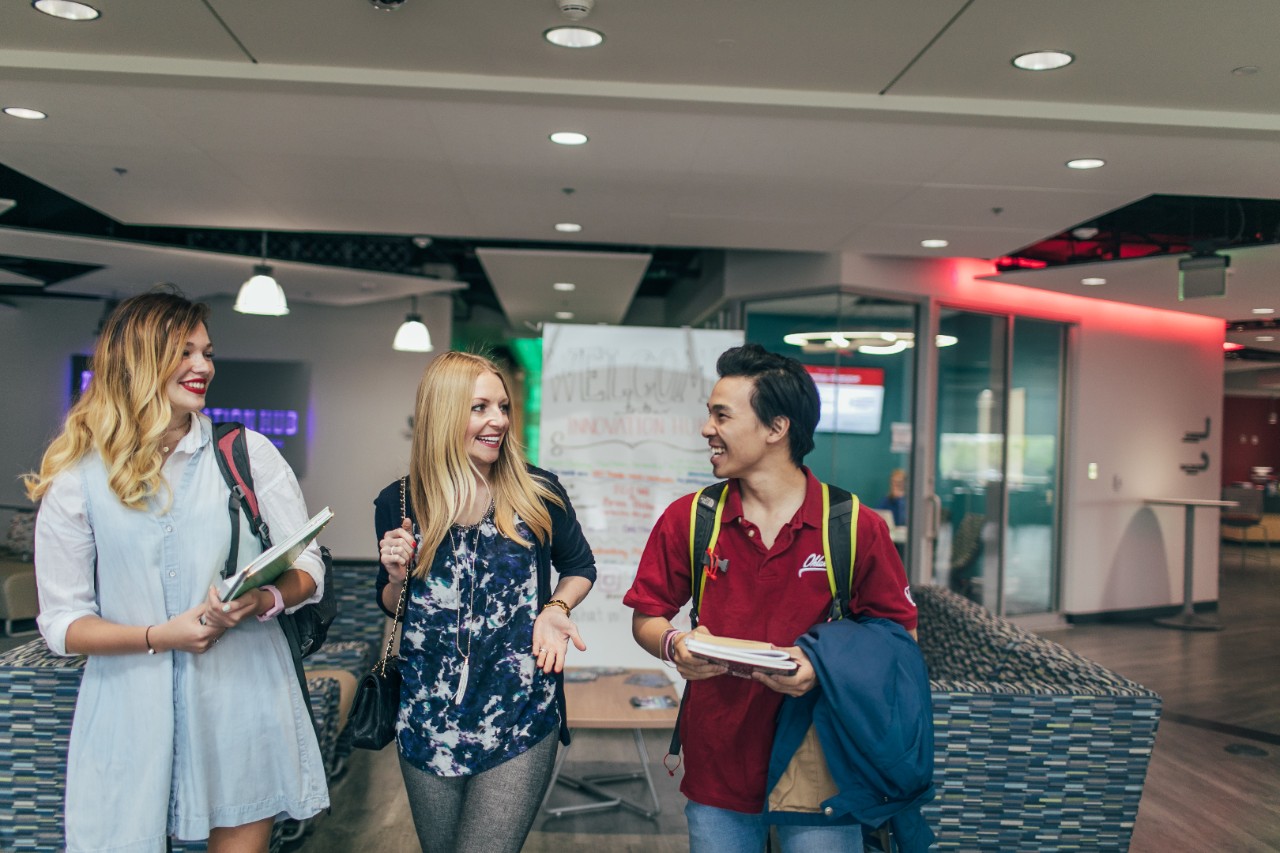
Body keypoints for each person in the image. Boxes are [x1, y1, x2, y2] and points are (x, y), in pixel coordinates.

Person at [24, 287, 329, 853]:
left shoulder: (245, 454)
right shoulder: (77, 480)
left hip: (241, 694)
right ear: (136, 361)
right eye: (183, 351)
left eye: (206, 352)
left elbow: (308, 564)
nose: (202, 366)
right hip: (126, 706)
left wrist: (259, 601)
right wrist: (160, 636)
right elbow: (63, 626)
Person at [623, 343, 918, 853]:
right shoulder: (690, 519)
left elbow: (901, 638)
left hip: (823, 767)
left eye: (721, 415)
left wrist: (821, 665)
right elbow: (647, 616)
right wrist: (675, 646)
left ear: (776, 429)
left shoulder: (853, 527)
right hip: (719, 768)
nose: (706, 428)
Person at [374, 350, 596, 853]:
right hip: (425, 721)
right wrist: (394, 576)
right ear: (444, 413)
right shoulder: (402, 502)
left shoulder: (537, 491)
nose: (497, 420)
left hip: (520, 715)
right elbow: (394, 605)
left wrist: (555, 609)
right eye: (479, 408)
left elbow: (580, 568)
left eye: (502, 407)